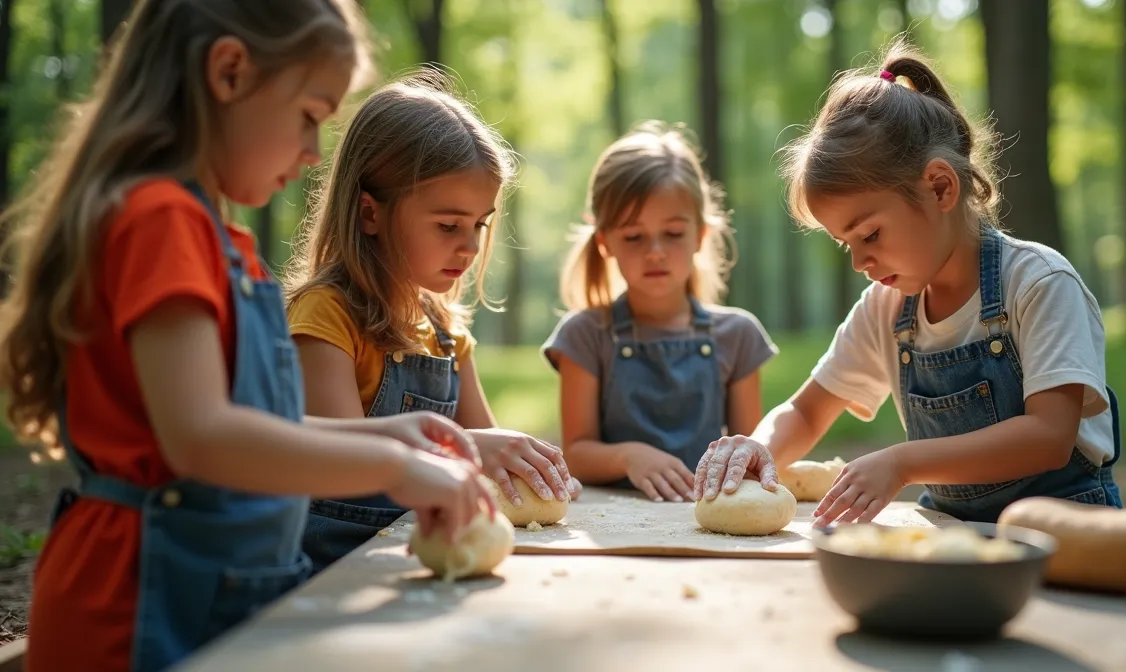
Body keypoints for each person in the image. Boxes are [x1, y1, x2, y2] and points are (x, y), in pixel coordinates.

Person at [0, 3, 493, 670]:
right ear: (229, 72)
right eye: (309, 116)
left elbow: (255, 425)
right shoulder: (161, 220)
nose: (315, 151)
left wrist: (386, 434)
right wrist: (392, 466)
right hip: (138, 604)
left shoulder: (212, 236)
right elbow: (202, 436)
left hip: (200, 590)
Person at [692, 41, 1122, 526]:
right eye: (844, 243)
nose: (858, 260)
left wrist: (903, 462)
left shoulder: (1038, 283)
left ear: (940, 187)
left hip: (1069, 535)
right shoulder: (886, 307)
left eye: (870, 234)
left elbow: (1048, 436)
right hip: (953, 531)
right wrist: (759, 447)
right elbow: (808, 412)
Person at [284, 70, 577, 574]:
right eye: (448, 225)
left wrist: (523, 469)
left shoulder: (446, 333)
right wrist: (467, 452)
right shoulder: (326, 317)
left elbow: (487, 452)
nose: (469, 246)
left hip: (427, 568)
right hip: (333, 577)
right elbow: (337, 462)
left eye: (479, 225)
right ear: (370, 213)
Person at [542, 121, 778, 503]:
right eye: (634, 236)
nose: (655, 251)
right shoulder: (584, 335)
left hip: (706, 519)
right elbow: (577, 452)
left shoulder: (739, 335)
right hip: (609, 522)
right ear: (605, 243)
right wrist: (629, 456)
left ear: (700, 234)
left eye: (672, 233)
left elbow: (747, 454)